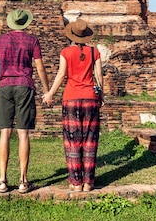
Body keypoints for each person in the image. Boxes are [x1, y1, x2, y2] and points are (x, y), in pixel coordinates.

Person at [0, 9, 50, 194]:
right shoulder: (32, 40)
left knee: (5, 133)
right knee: (23, 134)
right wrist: (46, 91)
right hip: (25, 86)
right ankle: (23, 181)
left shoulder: (1, 40)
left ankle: (3, 180)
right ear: (26, 23)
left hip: (5, 86)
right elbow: (40, 67)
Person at [43, 18, 103, 192]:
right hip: (91, 98)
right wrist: (102, 97)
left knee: (72, 141)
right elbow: (99, 76)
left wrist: (50, 94)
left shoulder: (66, 52)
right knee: (90, 141)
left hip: (71, 98)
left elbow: (61, 75)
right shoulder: (94, 52)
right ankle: (88, 183)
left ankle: (75, 183)